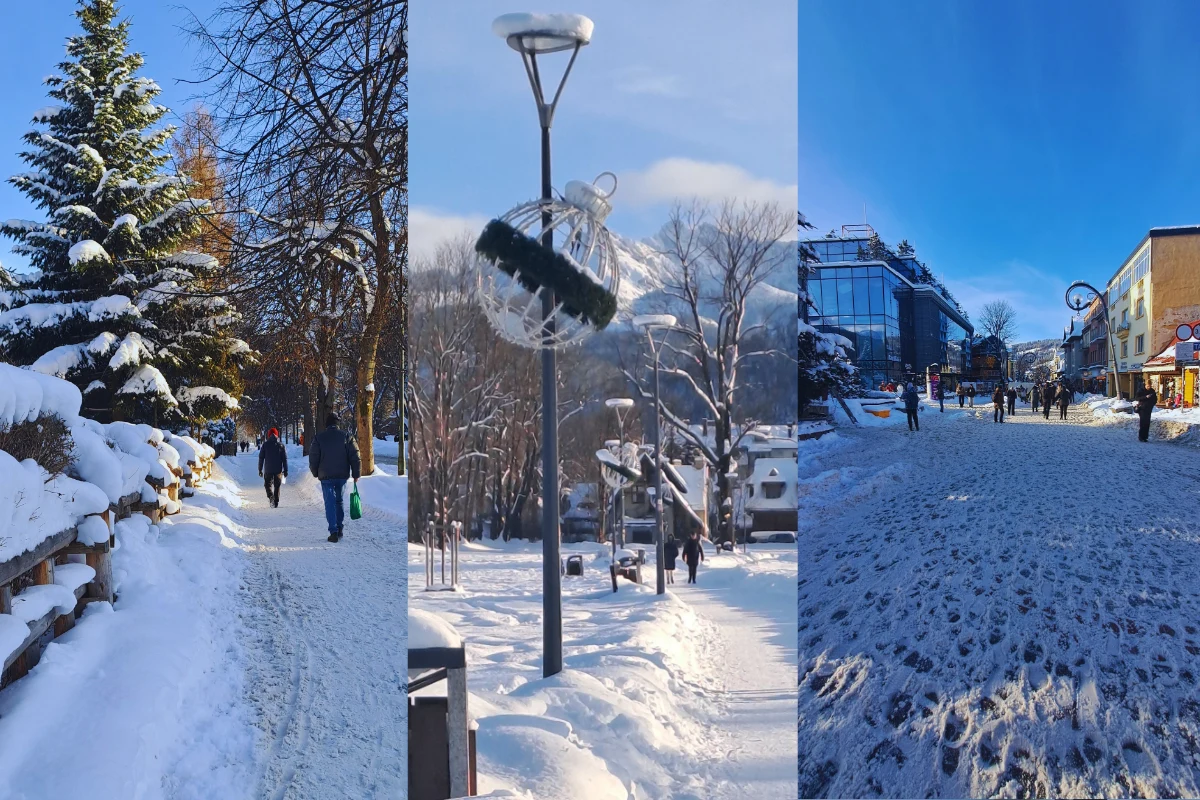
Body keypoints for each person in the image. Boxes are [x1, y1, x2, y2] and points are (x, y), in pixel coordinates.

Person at [309, 412, 362, 542]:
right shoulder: (347, 437)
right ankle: (339, 527)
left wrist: (315, 472)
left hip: (325, 476)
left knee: (329, 502)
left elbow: (313, 457)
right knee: (339, 501)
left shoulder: (319, 438)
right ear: (338, 424)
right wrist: (356, 474)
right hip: (341, 475)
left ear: (327, 425)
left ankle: (333, 531)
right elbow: (355, 456)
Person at [258, 428, 288, 507]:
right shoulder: (281, 445)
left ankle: (271, 496)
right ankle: (276, 502)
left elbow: (261, 458)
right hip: (278, 470)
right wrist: (286, 470)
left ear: (268, 435)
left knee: (267, 485)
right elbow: (284, 459)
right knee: (277, 486)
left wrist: (260, 469)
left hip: (268, 469)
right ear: (277, 435)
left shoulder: (265, 445)